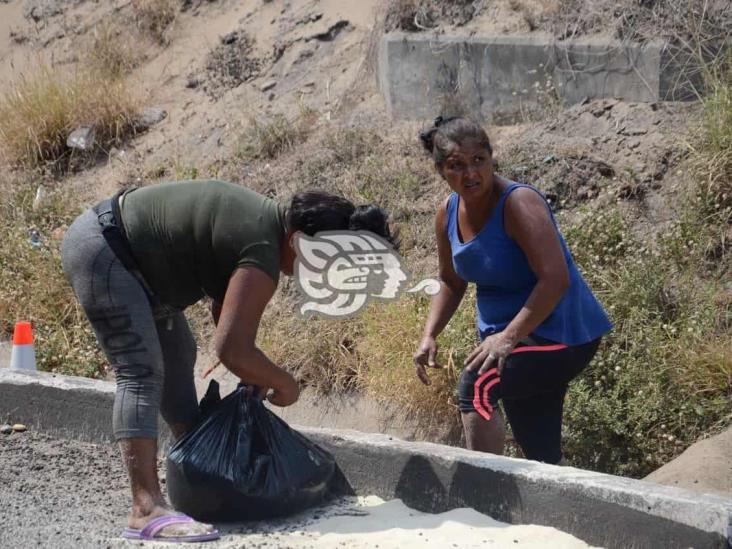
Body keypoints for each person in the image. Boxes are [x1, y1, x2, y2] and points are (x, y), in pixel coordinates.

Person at [61, 179, 395, 542]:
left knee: (180, 355)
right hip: (107, 251)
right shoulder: (262, 250)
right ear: (299, 241)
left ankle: (195, 470)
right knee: (140, 371)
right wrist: (286, 384)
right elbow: (232, 349)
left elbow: (226, 313)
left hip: (139, 269)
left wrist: (251, 370)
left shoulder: (266, 232)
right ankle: (145, 508)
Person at [412, 117, 612, 465]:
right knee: (538, 453)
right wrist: (429, 334)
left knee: (476, 388)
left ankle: (483, 502)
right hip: (517, 341)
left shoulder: (518, 203)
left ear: (492, 159)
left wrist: (507, 337)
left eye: (479, 160)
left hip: (560, 330)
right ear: (441, 171)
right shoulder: (447, 213)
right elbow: (451, 281)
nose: (470, 173)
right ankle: (558, 508)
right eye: (456, 166)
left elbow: (555, 279)